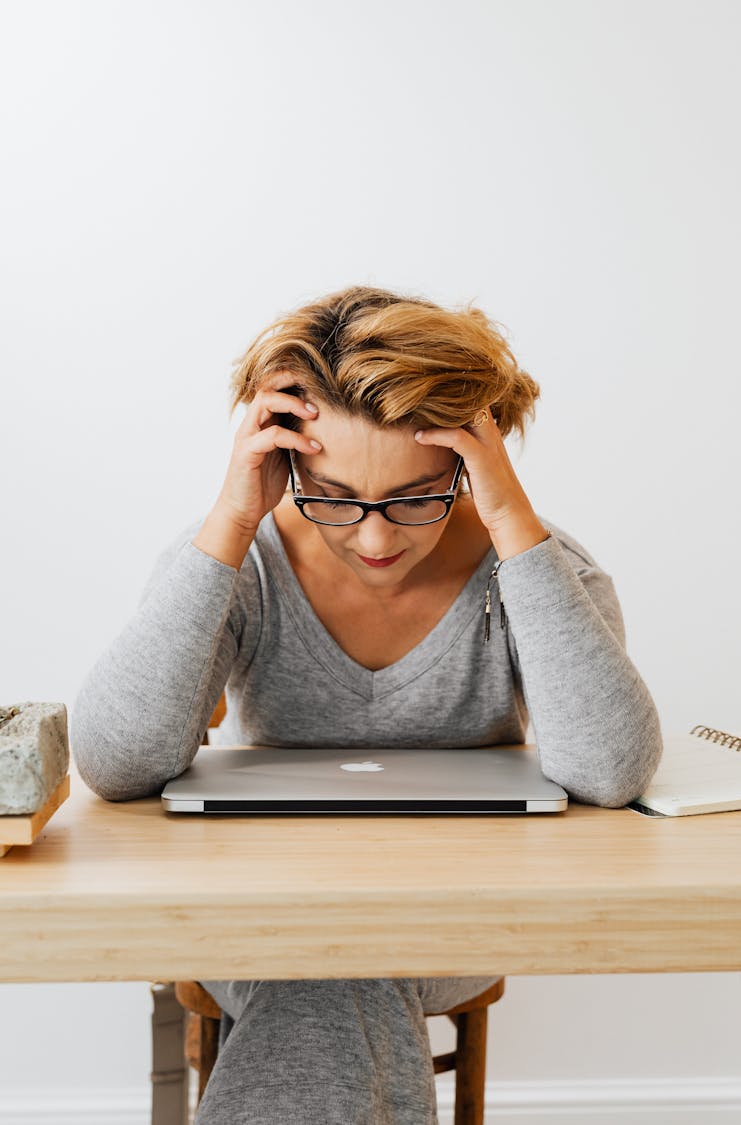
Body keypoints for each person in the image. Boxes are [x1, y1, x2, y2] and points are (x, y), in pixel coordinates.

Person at [71, 284, 663, 1124]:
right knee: (327, 959)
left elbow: (609, 768)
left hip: (454, 918)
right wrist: (235, 519)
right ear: (287, 466)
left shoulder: (540, 568)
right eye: (336, 498)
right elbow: (116, 759)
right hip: (253, 915)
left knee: (336, 964)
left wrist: (507, 517)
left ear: (471, 459)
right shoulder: (237, 559)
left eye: (417, 497)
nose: (376, 540)